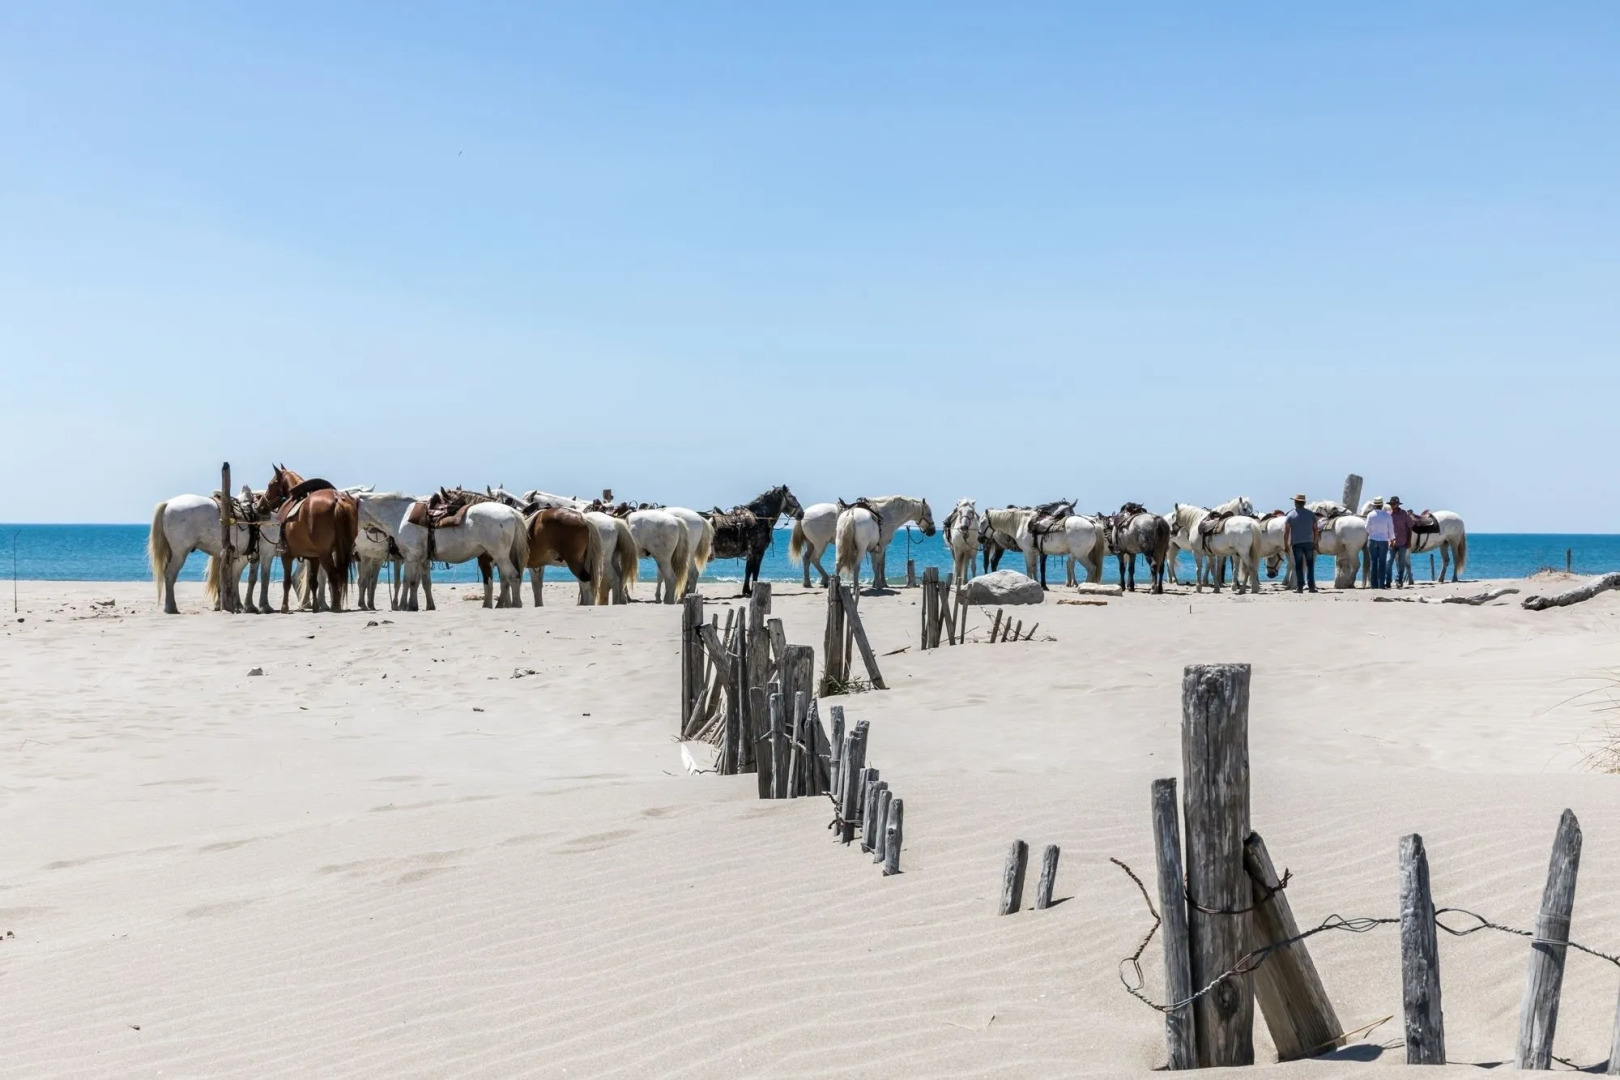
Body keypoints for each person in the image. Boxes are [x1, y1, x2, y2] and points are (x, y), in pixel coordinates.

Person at [1284, 494, 1318, 593]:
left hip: (1296, 543)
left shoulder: (1290, 515)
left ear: (1295, 502)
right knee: (1310, 565)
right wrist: (1315, 542)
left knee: (1299, 565)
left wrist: (1286, 544)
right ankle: (1311, 587)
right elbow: (1316, 529)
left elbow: (1286, 531)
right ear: (1304, 503)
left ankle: (1300, 587)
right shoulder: (1311, 514)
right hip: (1309, 542)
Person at [1365, 496, 1393, 588]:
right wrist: (1392, 539)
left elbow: (1366, 528)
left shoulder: (1370, 515)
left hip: (1372, 539)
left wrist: (1372, 533)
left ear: (1374, 505)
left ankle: (1374, 585)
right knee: (1382, 562)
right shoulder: (1387, 515)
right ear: (1382, 505)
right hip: (1384, 540)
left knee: (1373, 562)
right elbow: (1391, 529)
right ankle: (1381, 584)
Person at [1388, 496, 1414, 587]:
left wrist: (1409, 541)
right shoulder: (1388, 514)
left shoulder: (1404, 514)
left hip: (1402, 541)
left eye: (1394, 504)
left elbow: (1410, 527)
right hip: (1391, 542)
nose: (1392, 505)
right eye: (1391, 504)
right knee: (1389, 561)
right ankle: (1388, 580)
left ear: (1398, 504)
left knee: (1401, 562)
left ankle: (1399, 580)